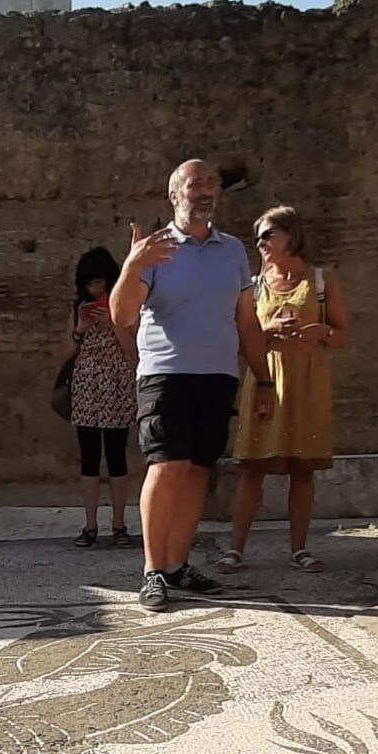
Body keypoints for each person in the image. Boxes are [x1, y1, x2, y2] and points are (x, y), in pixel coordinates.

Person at [110, 159, 275, 612]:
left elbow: (247, 320)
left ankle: (178, 565)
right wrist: (131, 264)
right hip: (166, 374)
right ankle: (152, 570)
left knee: (198, 472)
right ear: (174, 195)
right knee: (165, 467)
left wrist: (264, 380)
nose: (204, 189)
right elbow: (122, 315)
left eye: (211, 182)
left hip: (218, 376)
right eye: (194, 182)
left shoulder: (234, 251)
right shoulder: (155, 248)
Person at [215, 206, 349, 574]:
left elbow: (342, 335)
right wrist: (270, 328)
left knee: (302, 469)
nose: (260, 243)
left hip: (308, 382)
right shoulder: (254, 285)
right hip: (265, 382)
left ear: (291, 235)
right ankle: (235, 550)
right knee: (252, 467)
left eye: (268, 234)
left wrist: (322, 332)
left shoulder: (322, 281)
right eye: (257, 236)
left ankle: (300, 549)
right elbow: (241, 337)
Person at [64, 247, 139, 548]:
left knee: (117, 456)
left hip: (117, 384)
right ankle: (90, 525)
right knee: (90, 457)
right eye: (88, 284)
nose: (94, 289)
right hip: (86, 386)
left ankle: (119, 524)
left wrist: (113, 321)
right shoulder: (77, 308)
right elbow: (64, 352)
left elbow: (133, 349)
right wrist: (80, 328)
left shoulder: (125, 304)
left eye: (98, 283)